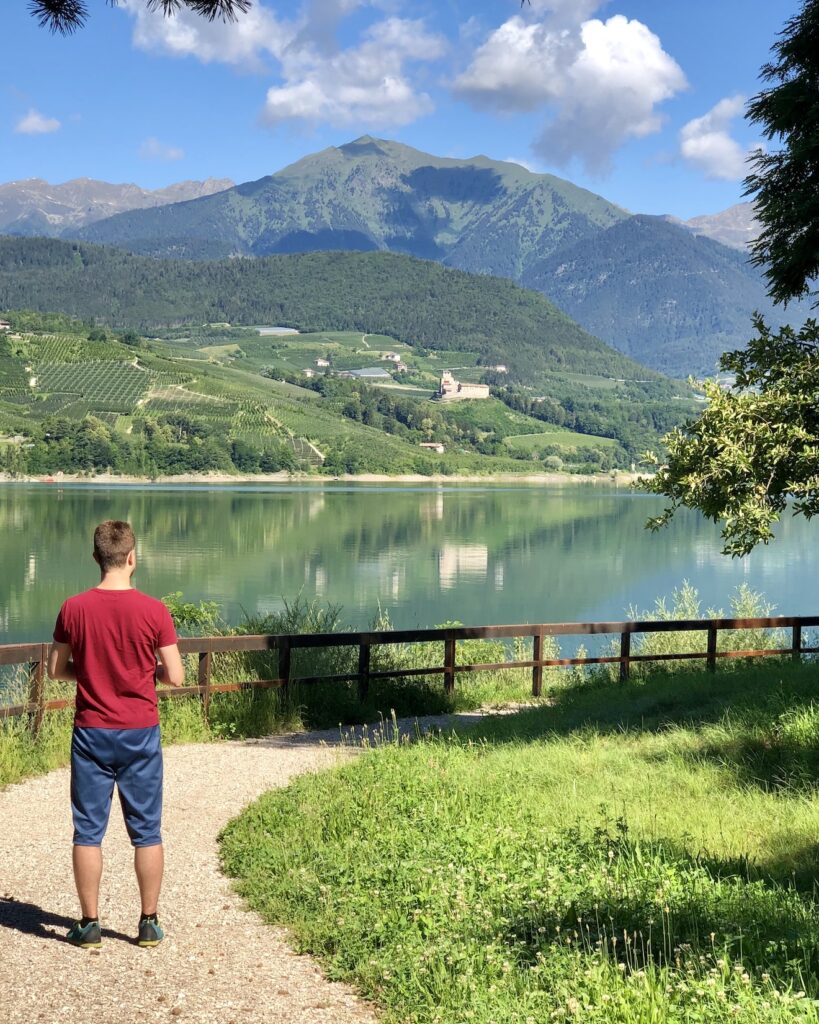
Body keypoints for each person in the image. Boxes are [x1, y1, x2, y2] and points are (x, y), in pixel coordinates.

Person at [48, 520, 184, 949]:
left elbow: (55, 671)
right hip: (140, 731)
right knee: (146, 831)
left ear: (95, 559)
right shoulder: (154, 610)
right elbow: (176, 677)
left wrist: (89, 674)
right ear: (132, 557)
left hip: (91, 731)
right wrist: (145, 675)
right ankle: (148, 922)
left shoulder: (73, 608)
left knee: (88, 831)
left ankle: (89, 925)